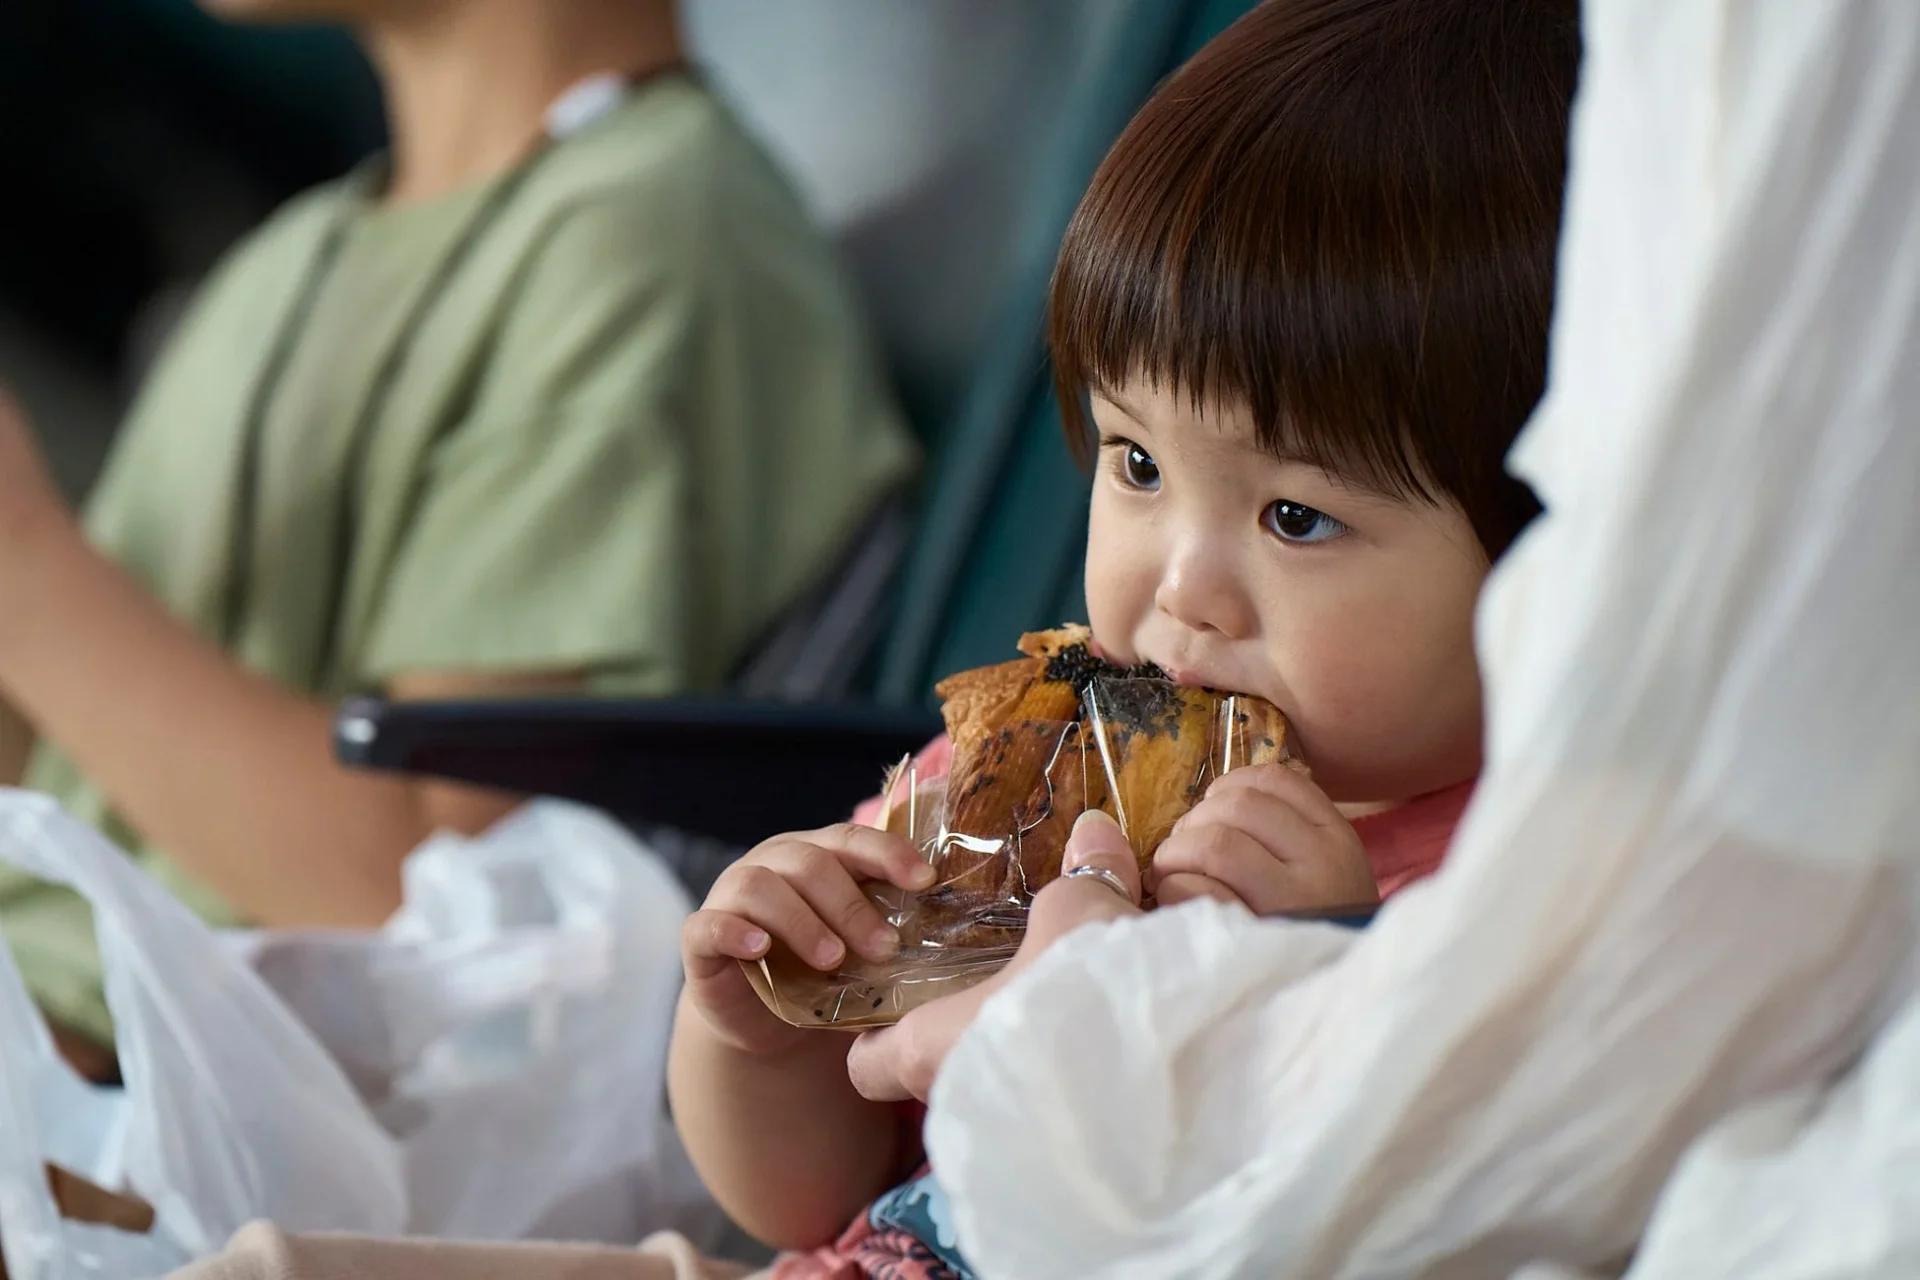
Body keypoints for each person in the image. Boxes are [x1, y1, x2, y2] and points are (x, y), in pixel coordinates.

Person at [166, 0, 1575, 1274]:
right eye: (1138, 468)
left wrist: (1302, 976)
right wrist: (762, 1037)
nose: (1181, 590)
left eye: (1297, 520)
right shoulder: (1011, 789)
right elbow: (797, 1200)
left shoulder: (1496, 908)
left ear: (1551, 557)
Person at [0, 0, 916, 1074]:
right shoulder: (292, 257)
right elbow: (66, 794)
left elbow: (416, 893)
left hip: (154, 1140)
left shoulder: (641, 235)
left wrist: (26, 567)